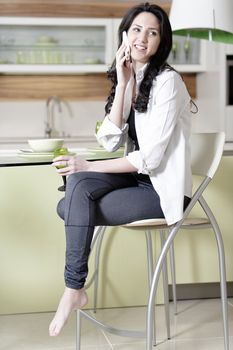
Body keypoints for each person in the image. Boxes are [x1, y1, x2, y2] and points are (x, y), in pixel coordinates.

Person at [49, 2, 194, 337]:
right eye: (136, 30)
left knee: (70, 201)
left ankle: (73, 288)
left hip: (160, 191)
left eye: (152, 32)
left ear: (162, 41)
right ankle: (76, 288)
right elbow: (110, 140)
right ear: (125, 35)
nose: (143, 38)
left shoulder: (168, 82)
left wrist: (87, 165)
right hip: (134, 180)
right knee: (78, 186)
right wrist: (125, 82)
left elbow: (152, 158)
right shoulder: (135, 76)